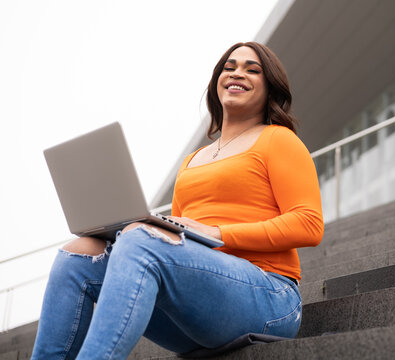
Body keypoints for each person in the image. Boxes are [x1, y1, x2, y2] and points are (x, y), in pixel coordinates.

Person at [31, 41, 324, 359]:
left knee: (140, 241)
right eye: (229, 67)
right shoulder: (193, 160)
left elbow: (309, 224)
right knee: (78, 255)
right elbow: (176, 242)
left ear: (269, 89)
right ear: (216, 83)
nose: (237, 73)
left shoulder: (279, 139)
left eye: (252, 70)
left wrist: (216, 232)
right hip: (198, 313)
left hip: (270, 297)